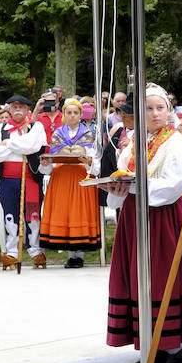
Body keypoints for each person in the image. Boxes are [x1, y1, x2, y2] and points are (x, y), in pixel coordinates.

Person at [101, 84, 182, 363]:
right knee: (139, 277)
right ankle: (148, 340)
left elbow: (175, 185)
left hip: (164, 218)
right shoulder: (135, 141)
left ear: (169, 111)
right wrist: (118, 187)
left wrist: (136, 187)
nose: (154, 113)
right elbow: (123, 175)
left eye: (159, 108)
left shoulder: (176, 143)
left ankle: (172, 345)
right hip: (134, 218)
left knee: (164, 276)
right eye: (148, 109)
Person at [39, 98, 102, 268]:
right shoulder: (58, 134)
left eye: (76, 112)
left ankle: (79, 255)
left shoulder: (89, 134)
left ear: (81, 115)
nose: (72, 115)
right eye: (69, 112)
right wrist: (46, 164)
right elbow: (51, 162)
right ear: (64, 114)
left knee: (79, 212)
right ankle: (69, 254)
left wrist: (89, 161)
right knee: (65, 212)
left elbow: (96, 161)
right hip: (61, 176)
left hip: (81, 175)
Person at [0, 95, 48, 269]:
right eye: (14, 107)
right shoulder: (0, 128)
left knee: (32, 215)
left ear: (27, 110)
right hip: (7, 179)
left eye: (21, 107)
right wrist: (19, 145)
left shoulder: (35, 126)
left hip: (30, 178)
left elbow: (32, 146)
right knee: (10, 214)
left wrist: (8, 143)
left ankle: (35, 250)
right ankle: (12, 251)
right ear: (9, 109)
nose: (18, 110)